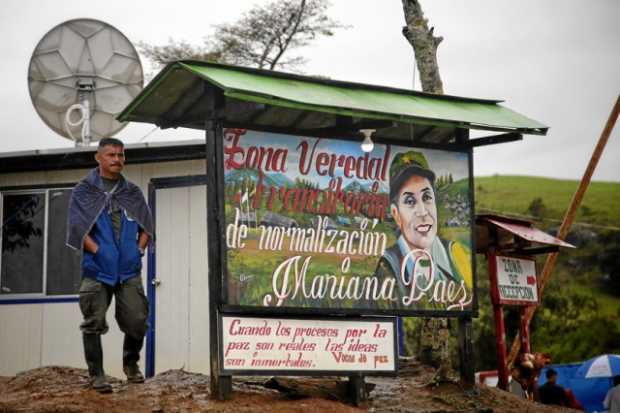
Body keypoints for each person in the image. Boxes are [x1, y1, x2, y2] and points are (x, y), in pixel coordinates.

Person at [67, 138, 154, 393]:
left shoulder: (132, 192)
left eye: (121, 155)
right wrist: (101, 252)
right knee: (93, 321)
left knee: (138, 320)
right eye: (111, 155)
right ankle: (97, 375)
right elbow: (77, 229)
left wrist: (137, 250)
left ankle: (131, 364)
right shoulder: (83, 191)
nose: (117, 160)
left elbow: (147, 227)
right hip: (97, 269)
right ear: (98, 158)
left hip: (128, 271)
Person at [374, 150, 469, 305]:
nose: (423, 212)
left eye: (426, 198)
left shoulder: (456, 256)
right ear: (396, 213)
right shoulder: (389, 268)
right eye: (410, 201)